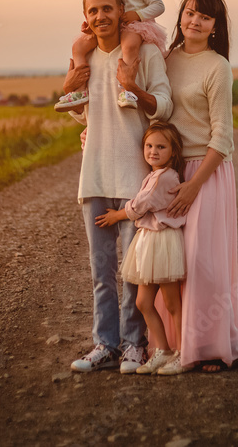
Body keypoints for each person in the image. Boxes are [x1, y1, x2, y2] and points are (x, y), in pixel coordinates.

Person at [66, 0, 173, 374]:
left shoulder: (144, 53)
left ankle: (133, 345)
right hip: (93, 176)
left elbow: (165, 103)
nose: (100, 17)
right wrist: (73, 98)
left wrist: (133, 89)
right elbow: (81, 114)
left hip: (134, 179)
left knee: (132, 270)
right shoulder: (85, 56)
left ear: (121, 10)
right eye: (92, 11)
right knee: (101, 270)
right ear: (87, 16)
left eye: (107, 8)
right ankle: (105, 344)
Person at [153, 0, 238, 375]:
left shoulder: (217, 66)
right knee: (172, 262)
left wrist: (194, 185)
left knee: (202, 261)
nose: (194, 21)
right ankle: (174, 344)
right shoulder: (166, 60)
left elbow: (222, 136)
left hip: (206, 173)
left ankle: (209, 346)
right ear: (181, 17)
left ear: (214, 27)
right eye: (189, 13)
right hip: (171, 173)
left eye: (204, 17)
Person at [97, 121, 188, 375]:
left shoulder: (167, 176)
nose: (153, 151)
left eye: (161, 146)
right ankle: (163, 350)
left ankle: (182, 353)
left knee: (172, 304)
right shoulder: (152, 174)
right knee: (143, 302)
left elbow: (141, 204)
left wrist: (117, 215)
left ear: (173, 151)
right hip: (148, 241)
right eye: (149, 146)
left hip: (163, 242)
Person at [55, 0, 168, 112]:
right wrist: (90, 25)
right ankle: (80, 90)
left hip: (135, 27)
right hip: (112, 28)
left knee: (129, 45)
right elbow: (98, 10)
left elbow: (159, 6)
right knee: (78, 46)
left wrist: (138, 15)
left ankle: (126, 89)